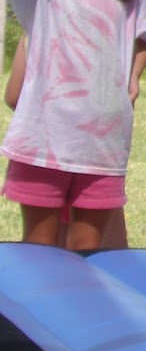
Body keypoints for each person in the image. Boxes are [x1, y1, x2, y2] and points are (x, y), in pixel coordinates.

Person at [0, 0, 146, 250]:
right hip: (44, 139)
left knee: (87, 252)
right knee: (40, 252)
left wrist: (133, 75)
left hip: (102, 145)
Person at [5, 38, 130, 248]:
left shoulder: (37, 30)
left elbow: (13, 96)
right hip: (96, 154)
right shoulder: (108, 31)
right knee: (99, 251)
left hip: (46, 153)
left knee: (42, 250)